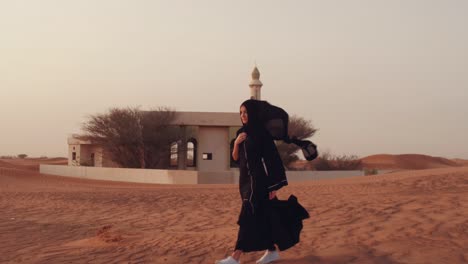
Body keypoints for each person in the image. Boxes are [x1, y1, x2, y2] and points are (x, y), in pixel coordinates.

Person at [215, 99, 295, 264]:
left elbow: (272, 159)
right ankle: (272, 251)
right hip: (244, 181)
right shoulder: (240, 133)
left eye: (245, 112)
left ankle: (235, 257)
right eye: (241, 113)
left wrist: (274, 186)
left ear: (252, 113)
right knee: (262, 216)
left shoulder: (262, 134)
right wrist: (236, 144)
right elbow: (236, 159)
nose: (243, 115)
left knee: (247, 216)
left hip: (258, 181)